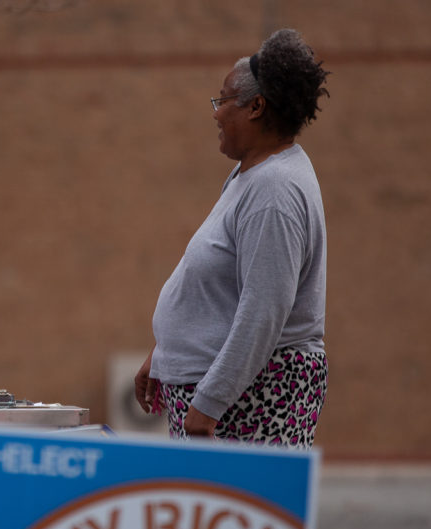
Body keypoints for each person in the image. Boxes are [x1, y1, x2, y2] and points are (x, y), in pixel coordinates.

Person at [135, 29, 330, 448]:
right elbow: (218, 287)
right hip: (226, 397)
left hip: (249, 404)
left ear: (256, 107)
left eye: (223, 100)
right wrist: (164, 354)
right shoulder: (254, 176)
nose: (216, 113)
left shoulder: (274, 190)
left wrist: (209, 404)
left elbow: (263, 311)